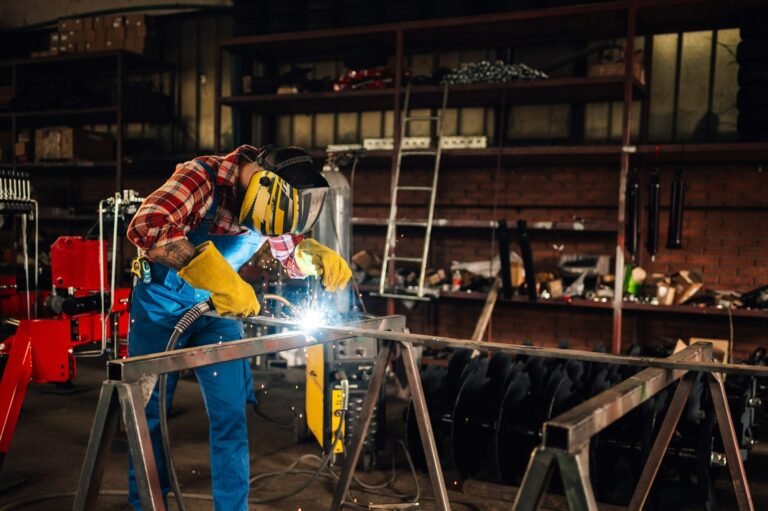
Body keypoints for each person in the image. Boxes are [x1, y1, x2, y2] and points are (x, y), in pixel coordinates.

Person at [125, 144, 351, 510]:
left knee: (230, 417)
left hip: (218, 311)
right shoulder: (202, 177)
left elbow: (286, 253)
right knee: (147, 416)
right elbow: (145, 226)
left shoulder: (275, 201)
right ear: (262, 187)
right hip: (161, 310)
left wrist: (309, 257)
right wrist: (213, 275)